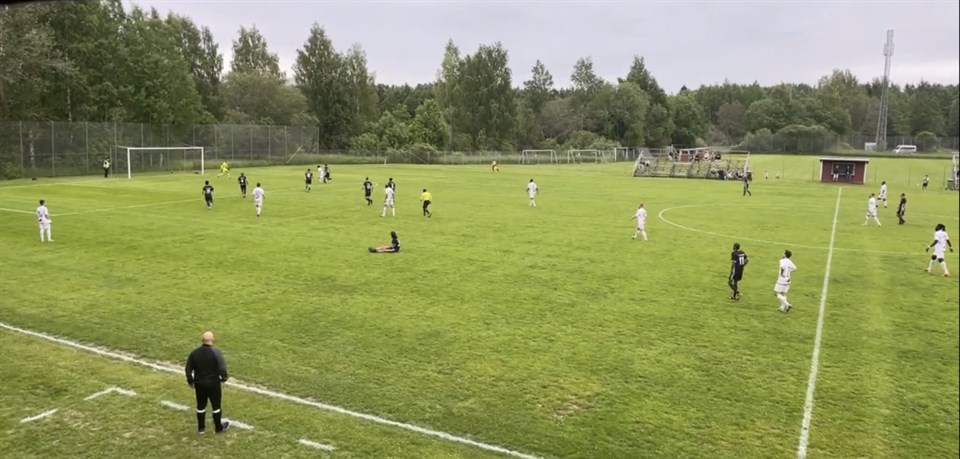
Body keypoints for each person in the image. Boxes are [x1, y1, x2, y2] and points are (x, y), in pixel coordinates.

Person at [185, 331, 230, 435]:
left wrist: (191, 381)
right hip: (213, 383)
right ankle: (218, 428)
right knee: (216, 406)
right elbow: (222, 368)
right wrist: (224, 378)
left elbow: (188, 370)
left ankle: (201, 429)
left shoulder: (194, 353)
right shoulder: (216, 353)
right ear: (212, 340)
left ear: (202, 340)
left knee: (201, 405)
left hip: (200, 384)